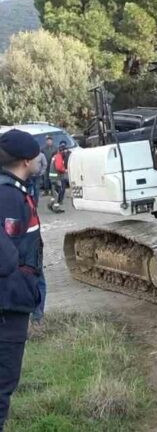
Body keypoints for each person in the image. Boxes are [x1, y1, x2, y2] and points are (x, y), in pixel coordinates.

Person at [0, 130, 43, 430]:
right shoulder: (8, 197)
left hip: (12, 302)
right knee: (2, 386)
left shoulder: (16, 191)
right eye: (38, 155)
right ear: (26, 161)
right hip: (7, 308)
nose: (43, 159)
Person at [48, 141, 70, 213]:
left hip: (52, 177)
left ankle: (51, 204)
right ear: (62, 151)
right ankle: (56, 207)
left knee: (55, 192)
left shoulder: (55, 156)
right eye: (65, 151)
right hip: (57, 177)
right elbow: (59, 167)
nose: (65, 152)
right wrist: (65, 170)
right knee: (59, 191)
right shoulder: (59, 157)